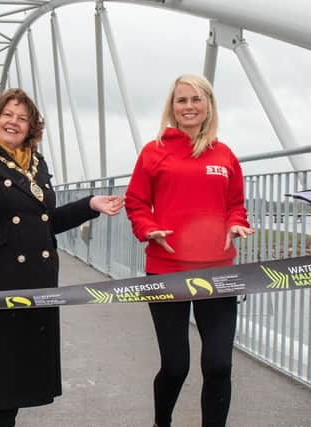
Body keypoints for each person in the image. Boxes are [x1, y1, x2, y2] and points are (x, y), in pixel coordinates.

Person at [0, 88, 124, 427]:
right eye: (7, 115)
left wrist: (90, 205)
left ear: (32, 127)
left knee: (15, 384)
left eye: (22, 118)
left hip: (36, 283)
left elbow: (47, 223)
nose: (13, 122)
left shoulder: (37, 163)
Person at [125, 74, 255, 427]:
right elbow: (136, 203)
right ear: (172, 107)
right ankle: (161, 422)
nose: (189, 107)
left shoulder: (225, 155)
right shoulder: (154, 151)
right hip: (167, 271)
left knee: (218, 364)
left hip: (219, 272)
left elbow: (235, 204)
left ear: (209, 105)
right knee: (176, 365)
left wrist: (235, 223)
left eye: (196, 99)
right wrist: (149, 229)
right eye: (182, 100)